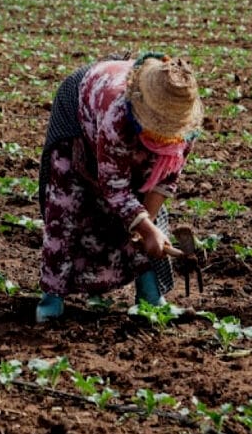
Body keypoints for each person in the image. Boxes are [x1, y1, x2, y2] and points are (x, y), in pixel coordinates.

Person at [36, 52, 204, 323]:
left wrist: (146, 226)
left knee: (146, 218)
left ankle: (151, 299)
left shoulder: (184, 126)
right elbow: (114, 188)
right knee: (67, 208)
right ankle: (51, 301)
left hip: (120, 131)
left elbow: (165, 181)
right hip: (79, 116)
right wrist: (144, 227)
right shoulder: (118, 116)